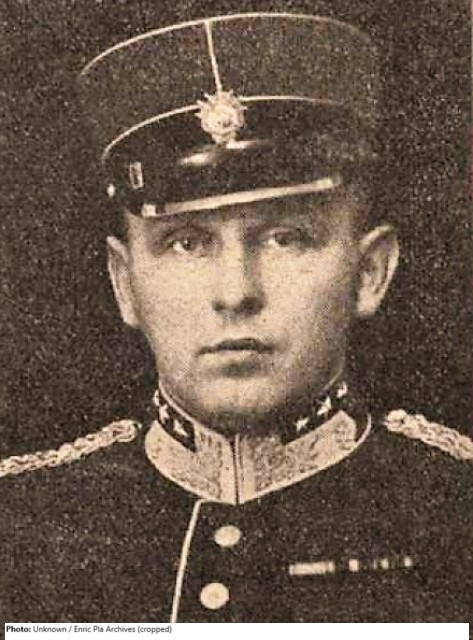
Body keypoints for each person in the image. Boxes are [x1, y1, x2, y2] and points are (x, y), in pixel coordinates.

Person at [1, 12, 472, 623]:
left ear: (369, 273)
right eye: (187, 243)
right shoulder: (21, 530)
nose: (235, 293)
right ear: (124, 284)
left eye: (286, 238)